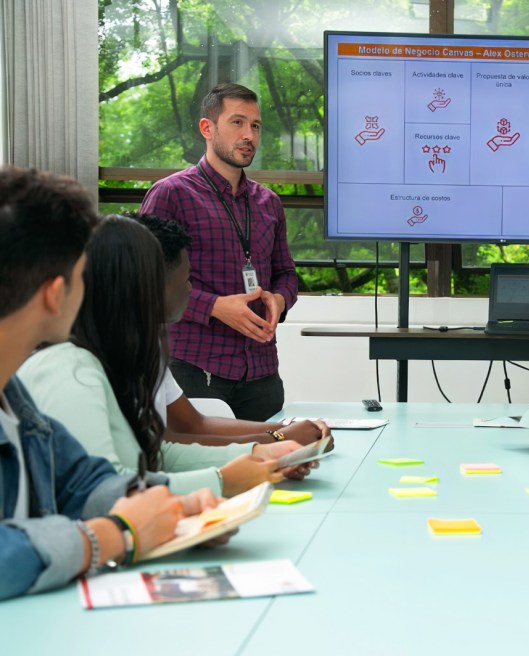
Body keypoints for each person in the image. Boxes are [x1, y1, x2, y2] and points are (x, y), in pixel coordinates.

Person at [0, 167, 219, 600]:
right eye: (83, 276)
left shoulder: (17, 403)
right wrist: (113, 534)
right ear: (54, 293)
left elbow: (83, 482)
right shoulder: (68, 368)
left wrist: (174, 506)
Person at [19, 217, 307, 498]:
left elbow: (154, 454)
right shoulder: (70, 371)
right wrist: (221, 482)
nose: (190, 289)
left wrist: (263, 452)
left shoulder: (128, 353)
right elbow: (103, 492)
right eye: (187, 279)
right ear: (146, 287)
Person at [139, 82, 298, 421]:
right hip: (196, 371)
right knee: (207, 471)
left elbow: (286, 272)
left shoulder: (268, 202)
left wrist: (279, 300)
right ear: (207, 128)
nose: (249, 135)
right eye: (237, 122)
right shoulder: (171, 194)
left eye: (255, 126)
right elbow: (144, 279)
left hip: (262, 374)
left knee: (273, 467)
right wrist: (215, 307)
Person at [131, 212, 329, 447]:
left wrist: (287, 431)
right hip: (200, 367)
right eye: (186, 280)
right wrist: (277, 440)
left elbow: (195, 425)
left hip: (259, 366)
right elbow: (166, 448)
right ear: (150, 281)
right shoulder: (106, 362)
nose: (190, 288)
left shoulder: (148, 350)